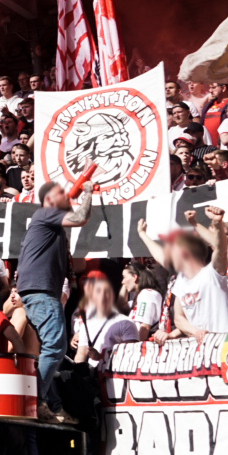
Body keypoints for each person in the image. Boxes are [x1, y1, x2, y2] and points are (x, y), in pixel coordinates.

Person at [17, 181, 92, 424]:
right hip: (42, 292)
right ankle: (36, 400)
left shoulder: (48, 223)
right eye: (61, 193)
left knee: (47, 352)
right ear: (49, 199)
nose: (68, 196)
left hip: (38, 291)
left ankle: (51, 405)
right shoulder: (46, 214)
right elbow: (80, 217)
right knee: (56, 346)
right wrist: (88, 192)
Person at [70, 272, 138, 367]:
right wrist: (77, 372)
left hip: (114, 376)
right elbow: (81, 353)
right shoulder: (86, 324)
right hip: (94, 376)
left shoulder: (126, 323)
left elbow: (132, 355)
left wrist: (102, 356)